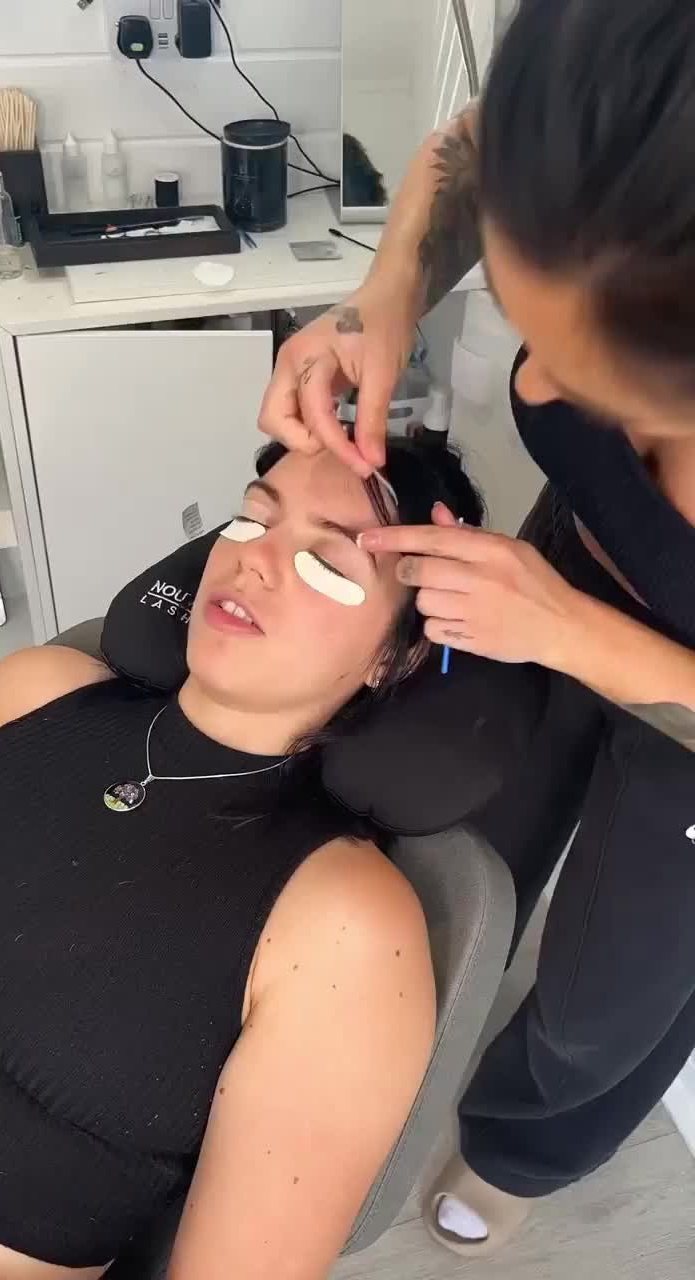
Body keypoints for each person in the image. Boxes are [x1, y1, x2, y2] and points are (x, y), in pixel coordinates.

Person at [260, 0, 695, 1259]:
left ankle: (528, 1144)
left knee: (613, 987)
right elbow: (463, 152)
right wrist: (385, 294)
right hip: (564, 573)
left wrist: (574, 633)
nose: (538, 389)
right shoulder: (632, 86)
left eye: (616, 393)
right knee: (471, 829)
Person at [0, 436, 484, 1280]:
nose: (257, 561)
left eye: (327, 560)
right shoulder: (37, 690)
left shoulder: (342, 925)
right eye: (253, 519)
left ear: (392, 655)